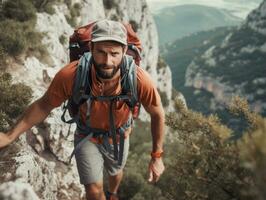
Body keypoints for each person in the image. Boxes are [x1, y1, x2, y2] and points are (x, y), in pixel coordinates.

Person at [0, 19, 165, 200]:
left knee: (115, 171)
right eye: (101, 52)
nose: (107, 61)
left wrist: (156, 156)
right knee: (93, 191)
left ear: (125, 51)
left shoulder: (138, 79)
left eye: (114, 53)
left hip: (120, 135)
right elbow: (43, 105)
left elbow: (157, 112)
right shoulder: (72, 75)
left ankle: (113, 193)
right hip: (87, 135)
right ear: (91, 48)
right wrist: (10, 136)